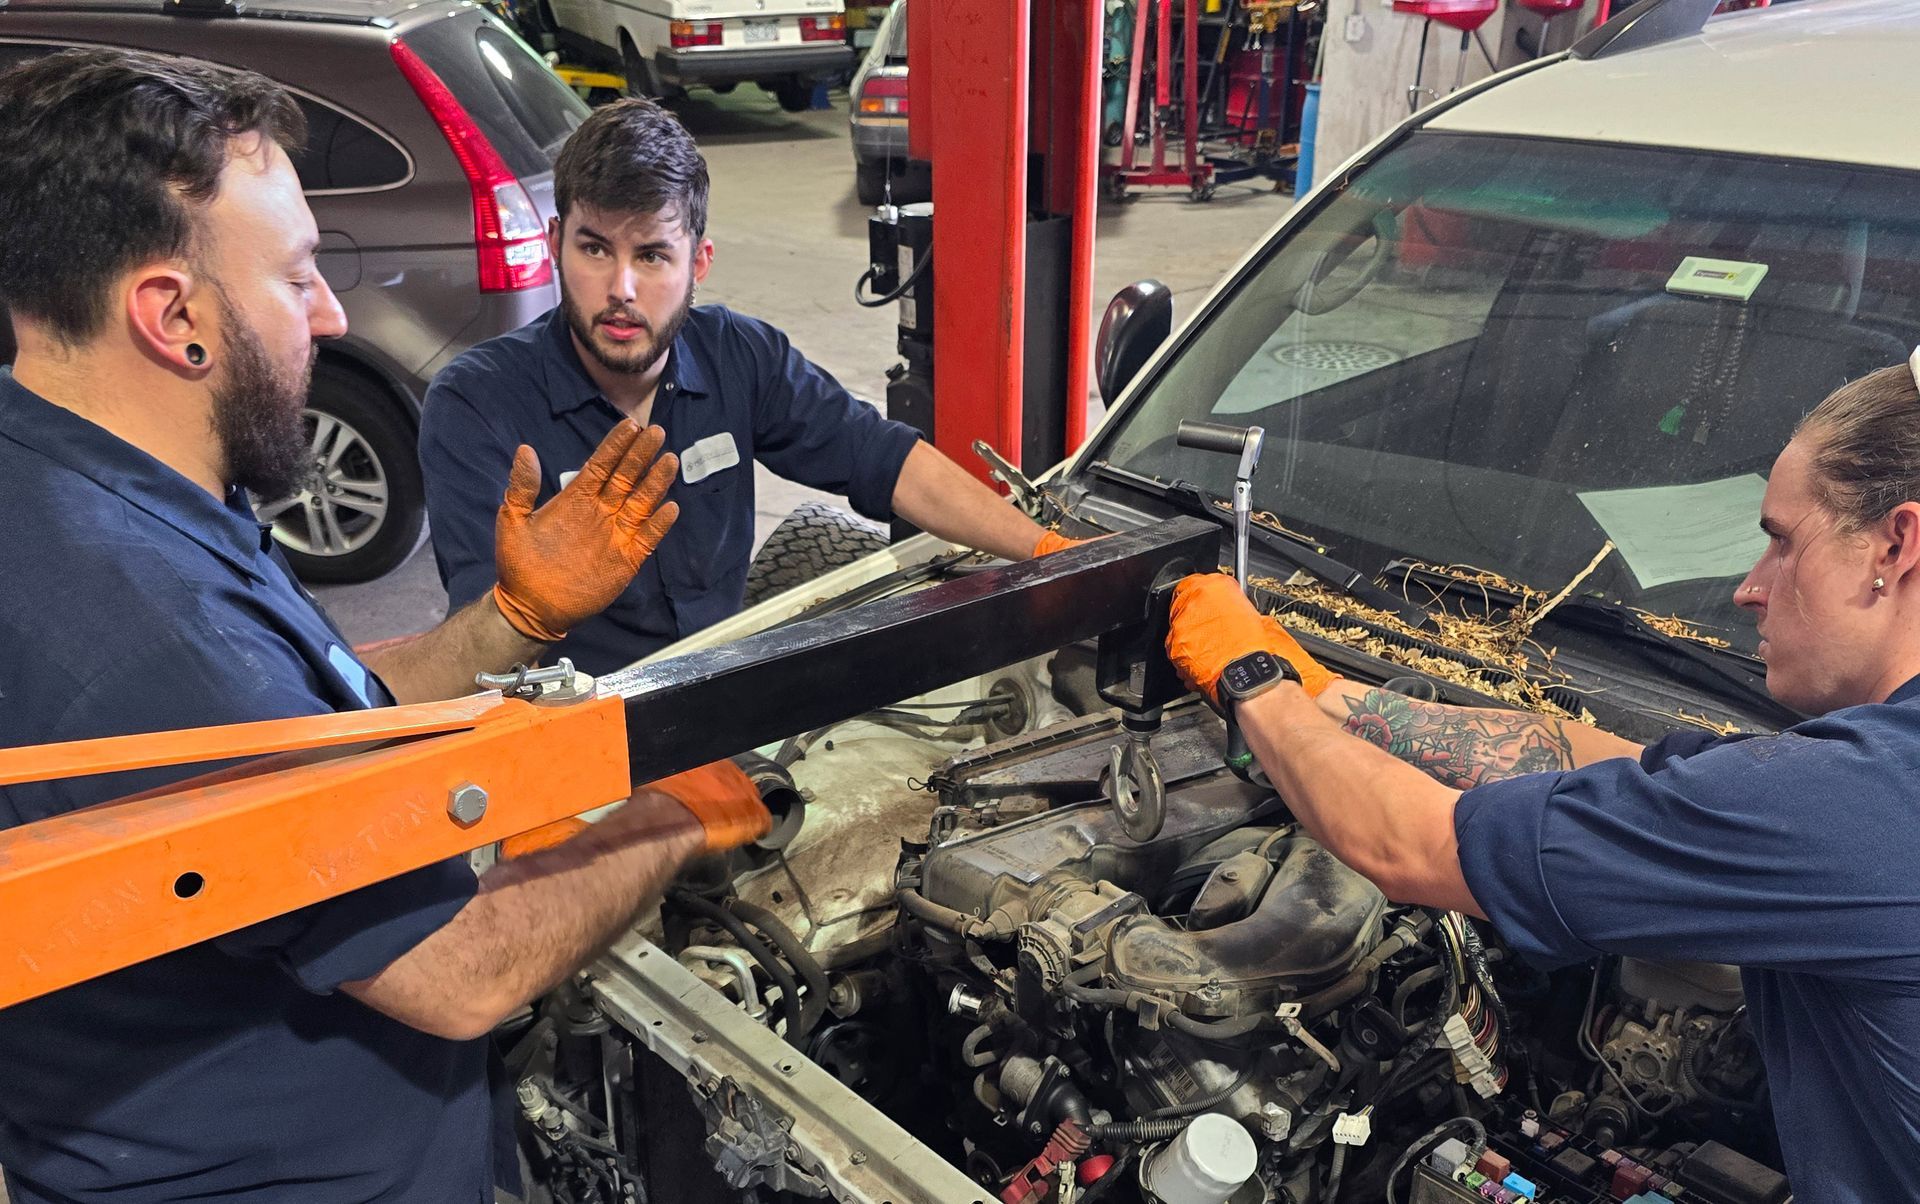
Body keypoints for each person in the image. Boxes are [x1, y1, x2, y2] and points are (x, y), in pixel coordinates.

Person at [0, 49, 770, 1204]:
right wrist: (678, 808)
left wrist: (505, 623)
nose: (331, 310)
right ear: (173, 315)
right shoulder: (152, 632)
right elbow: (463, 974)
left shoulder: (85, 483)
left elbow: (291, 727)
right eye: (301, 275)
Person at [1161, 361, 1920, 1201]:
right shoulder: (1871, 769)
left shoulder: (1860, 802)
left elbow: (1412, 844)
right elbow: (1618, 765)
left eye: (1783, 541)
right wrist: (1327, 694)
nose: (1750, 586)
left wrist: (1252, 681)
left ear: (1897, 542)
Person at [419, 98, 1078, 675]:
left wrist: (1052, 552)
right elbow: (480, 656)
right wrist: (523, 612)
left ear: (698, 263)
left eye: (651, 255)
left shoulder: (740, 356)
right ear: (557, 242)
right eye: (595, 250)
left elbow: (890, 462)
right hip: (573, 739)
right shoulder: (477, 405)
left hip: (721, 700)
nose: (621, 289)